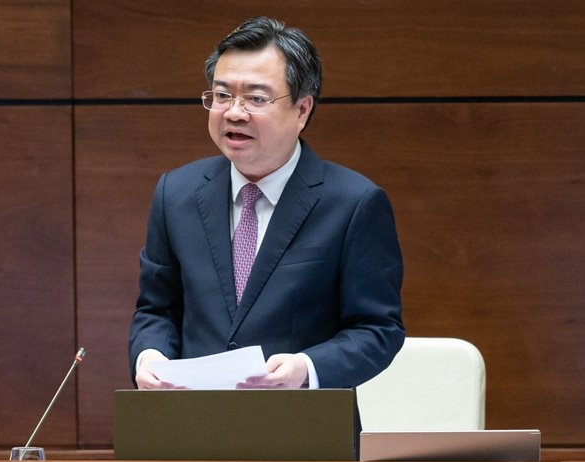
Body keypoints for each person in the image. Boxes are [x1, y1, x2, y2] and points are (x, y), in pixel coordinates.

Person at [129, 16, 404, 393]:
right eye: (222, 95)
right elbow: (157, 310)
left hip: (304, 422)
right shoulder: (175, 193)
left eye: (256, 99)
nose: (234, 112)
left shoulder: (354, 203)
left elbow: (378, 329)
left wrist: (306, 368)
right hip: (196, 419)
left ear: (302, 110)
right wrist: (150, 358)